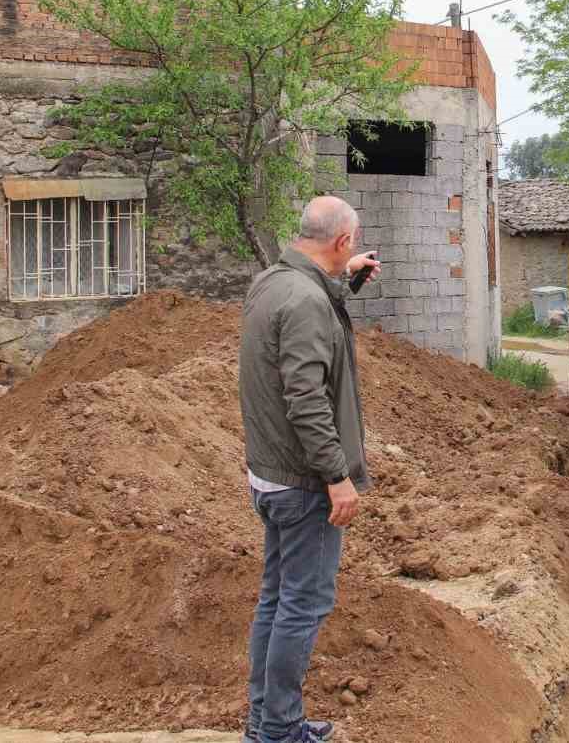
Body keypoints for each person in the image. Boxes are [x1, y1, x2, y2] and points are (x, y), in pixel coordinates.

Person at [238, 196, 380, 743]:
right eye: (353, 242)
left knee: (277, 600)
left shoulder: (273, 282)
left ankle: (266, 721)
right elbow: (306, 400)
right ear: (341, 241)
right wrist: (337, 476)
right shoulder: (304, 302)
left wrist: (349, 277)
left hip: (270, 474)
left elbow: (312, 303)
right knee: (302, 606)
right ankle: (278, 731)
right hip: (303, 484)